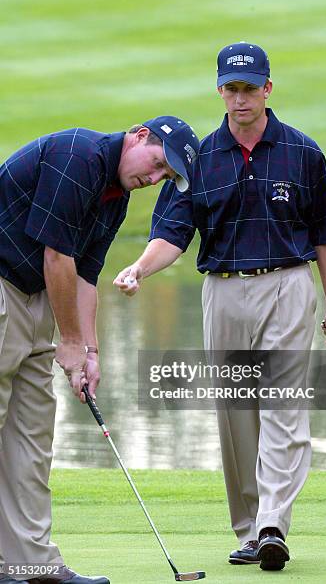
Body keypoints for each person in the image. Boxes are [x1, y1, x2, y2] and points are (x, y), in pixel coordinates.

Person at [114, 42, 326, 571]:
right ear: (219, 89)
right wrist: (139, 269)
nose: (240, 98)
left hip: (289, 284)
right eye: (231, 88)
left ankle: (272, 524)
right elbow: (172, 234)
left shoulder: (304, 152)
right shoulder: (199, 159)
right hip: (222, 289)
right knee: (236, 415)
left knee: (284, 408)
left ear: (268, 88)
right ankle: (249, 530)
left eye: (249, 88)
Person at [0, 116, 200, 584]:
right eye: (156, 165)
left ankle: (31, 565)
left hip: (38, 302)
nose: (153, 179)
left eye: (164, 178)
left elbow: (86, 276)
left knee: (30, 439)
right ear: (139, 135)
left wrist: (89, 351)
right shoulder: (80, 155)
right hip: (5, 287)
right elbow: (57, 255)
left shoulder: (116, 199)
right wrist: (69, 340)